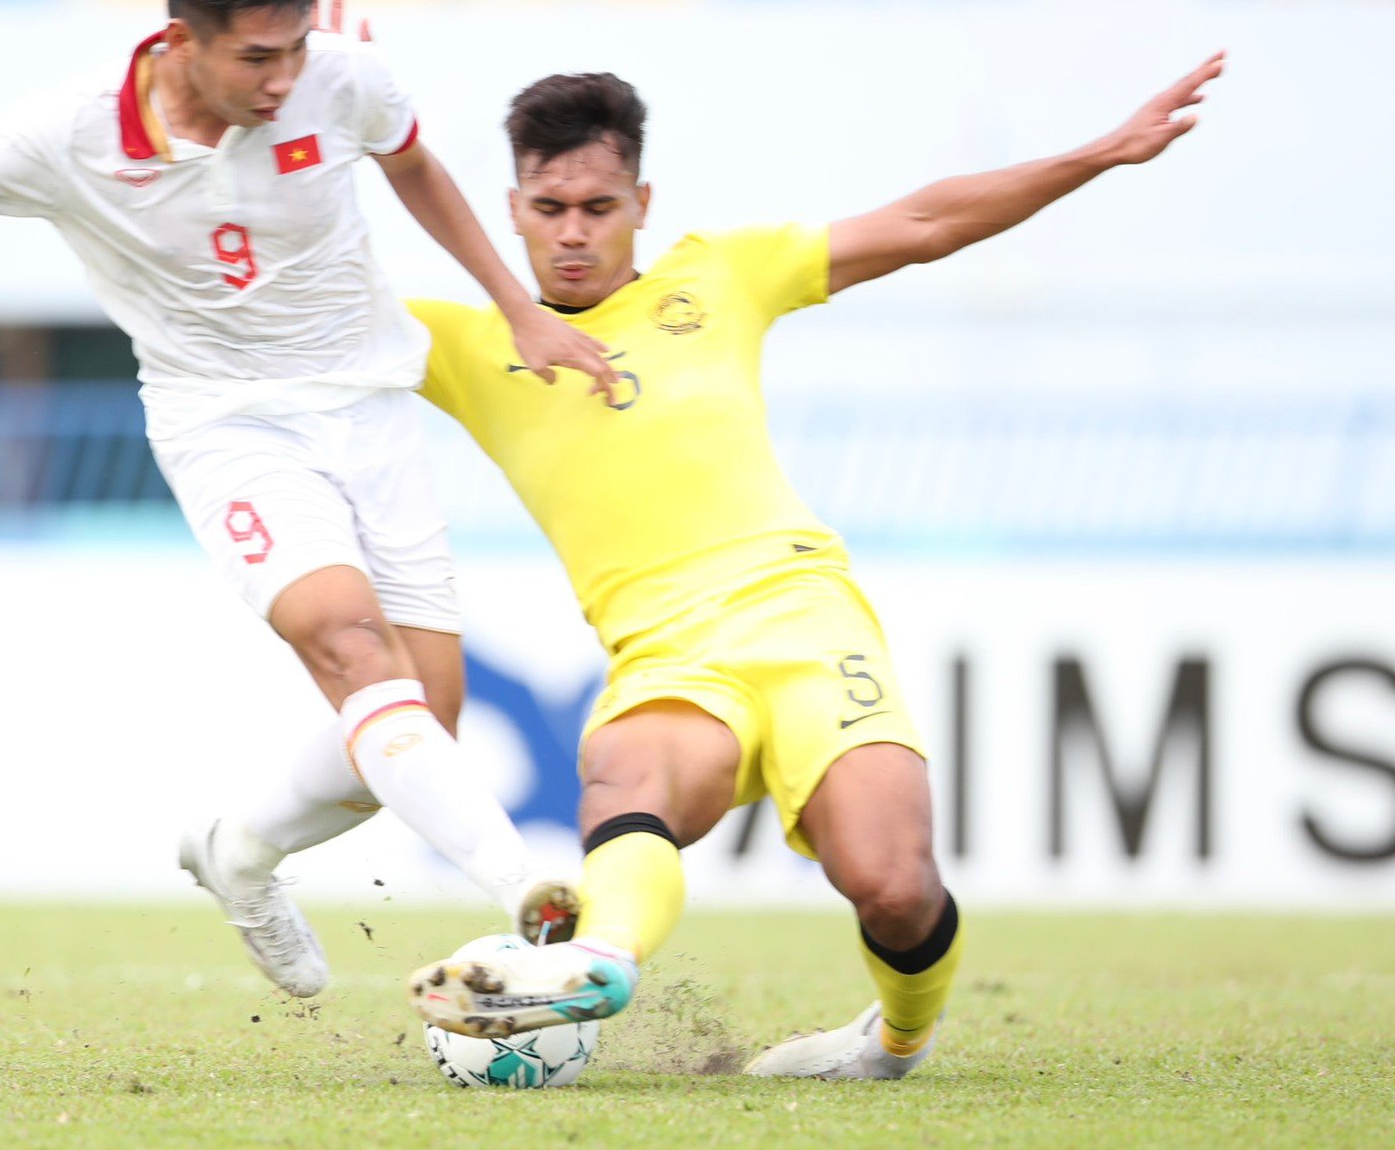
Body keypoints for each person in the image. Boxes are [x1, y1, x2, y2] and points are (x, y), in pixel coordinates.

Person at [0, 0, 614, 1000]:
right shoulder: (67, 133)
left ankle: (238, 850)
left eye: (296, 47)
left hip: (369, 408)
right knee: (351, 644)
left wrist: (517, 306)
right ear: (180, 41)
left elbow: (415, 168)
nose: (283, 76)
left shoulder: (339, 77)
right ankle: (529, 896)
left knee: (417, 720)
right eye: (257, 56)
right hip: (226, 424)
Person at [405, 53, 1225, 1078]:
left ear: (641, 202)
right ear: (511, 208)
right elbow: (269, 314)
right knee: (622, 774)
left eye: (598, 205)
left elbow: (922, 225)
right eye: (550, 205)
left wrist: (1099, 153)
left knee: (890, 884)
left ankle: (893, 1040)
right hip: (664, 654)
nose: (573, 230)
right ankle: (600, 961)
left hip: (801, 616)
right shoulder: (460, 343)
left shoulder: (718, 275)